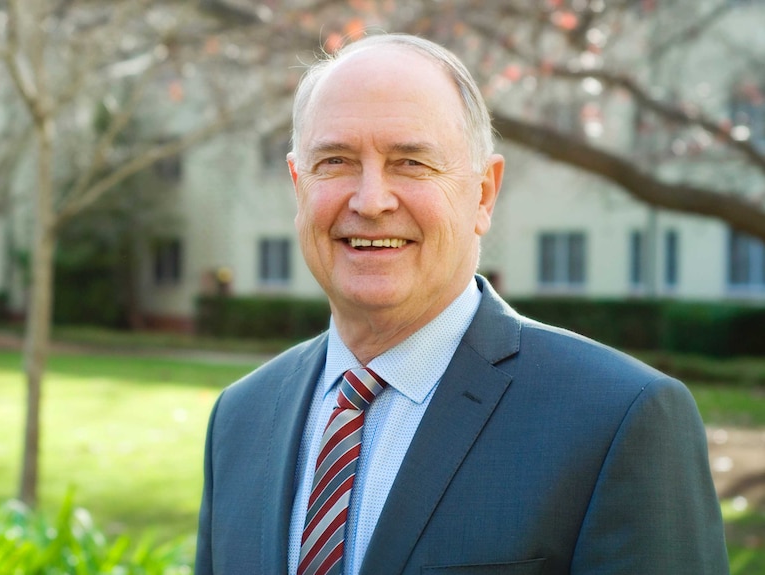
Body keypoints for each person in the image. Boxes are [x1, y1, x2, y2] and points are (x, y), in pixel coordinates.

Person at [194, 34, 729, 575]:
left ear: (483, 194)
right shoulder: (240, 419)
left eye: (410, 162)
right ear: (298, 186)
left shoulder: (618, 419)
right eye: (335, 161)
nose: (371, 199)